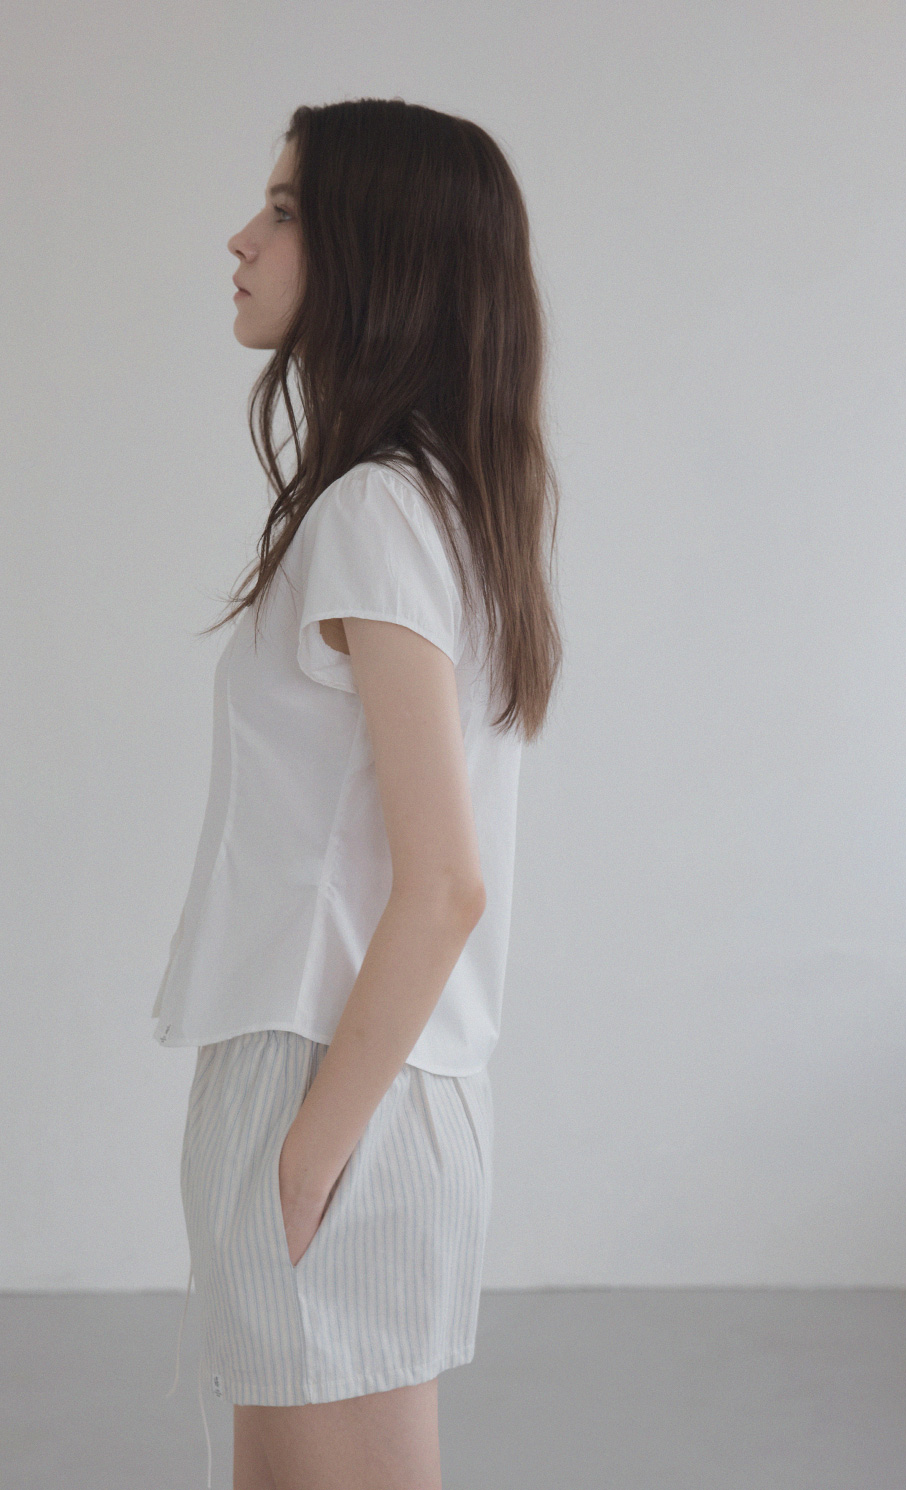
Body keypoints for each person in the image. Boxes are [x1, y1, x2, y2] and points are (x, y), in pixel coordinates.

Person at [152, 97, 563, 1490]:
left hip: (326, 1070)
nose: (241, 238)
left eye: (283, 211)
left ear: (376, 254)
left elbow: (444, 883)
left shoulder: (375, 514)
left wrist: (303, 1154)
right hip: (392, 1075)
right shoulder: (440, 506)